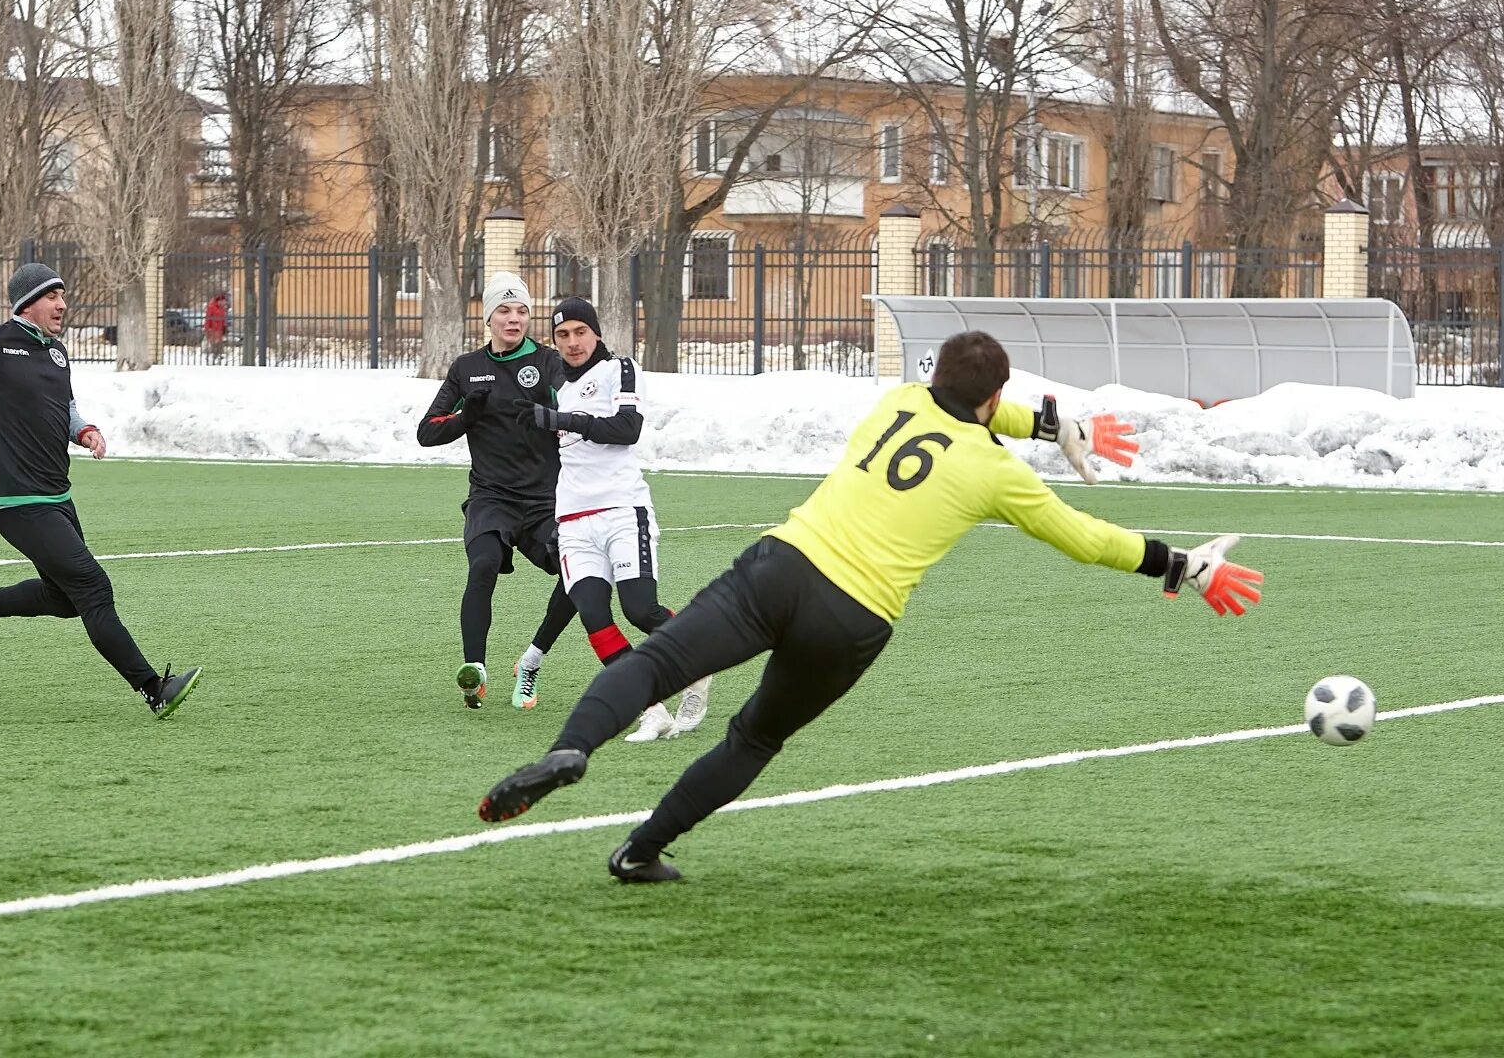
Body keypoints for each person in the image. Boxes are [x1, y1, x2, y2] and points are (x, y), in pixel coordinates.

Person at [479, 330, 1263, 882]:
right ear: (995, 399)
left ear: (936, 382)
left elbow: (968, 406)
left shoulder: (897, 400)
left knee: (654, 662)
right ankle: (640, 851)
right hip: (852, 619)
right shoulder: (998, 474)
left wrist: (1054, 423)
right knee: (753, 737)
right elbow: (1087, 539)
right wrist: (1183, 565)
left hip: (783, 565)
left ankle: (575, 746)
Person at [0, 263, 202, 718]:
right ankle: (153, 689)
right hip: (18, 504)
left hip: (58, 499)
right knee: (93, 587)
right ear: (28, 301)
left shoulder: (58, 353)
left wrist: (83, 430)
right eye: (53, 296)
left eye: (63, 296)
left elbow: (63, 408)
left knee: (64, 598)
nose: (63, 305)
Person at [511, 297, 711, 742]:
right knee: (594, 617)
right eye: (562, 335)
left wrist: (561, 419)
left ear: (596, 333)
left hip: (622, 510)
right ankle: (652, 711)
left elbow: (627, 429)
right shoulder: (556, 385)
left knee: (640, 610)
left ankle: (699, 664)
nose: (572, 342)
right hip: (574, 521)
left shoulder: (619, 369)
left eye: (580, 332)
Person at [416, 271, 577, 709]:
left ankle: (532, 660)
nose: (514, 318)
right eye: (504, 310)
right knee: (483, 564)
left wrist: (557, 418)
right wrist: (466, 417)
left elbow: (583, 413)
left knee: (580, 575)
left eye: (522, 310)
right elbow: (427, 432)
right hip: (491, 498)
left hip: (546, 501)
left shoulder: (549, 364)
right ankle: (476, 672)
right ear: (488, 317)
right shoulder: (467, 369)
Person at [203, 292, 229, 363]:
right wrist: (207, 328)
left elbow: (224, 319)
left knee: (219, 344)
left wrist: (225, 327)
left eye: (224, 301)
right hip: (213, 329)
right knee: (213, 343)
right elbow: (208, 319)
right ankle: (212, 357)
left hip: (220, 329)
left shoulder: (223, 309)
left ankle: (217, 356)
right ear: (219, 301)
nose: (224, 302)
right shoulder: (212, 307)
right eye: (223, 301)